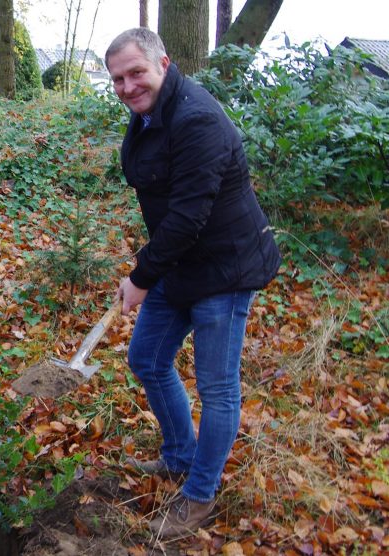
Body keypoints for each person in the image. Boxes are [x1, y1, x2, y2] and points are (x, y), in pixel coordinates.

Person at [105, 29, 281, 538]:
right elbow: (169, 210)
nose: (127, 85)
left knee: (218, 387)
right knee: (147, 358)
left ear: (163, 61)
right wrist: (150, 266)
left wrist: (141, 276)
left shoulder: (197, 119)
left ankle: (200, 493)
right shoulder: (148, 115)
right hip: (181, 262)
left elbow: (187, 216)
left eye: (136, 72)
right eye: (117, 78)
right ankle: (180, 455)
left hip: (225, 268)